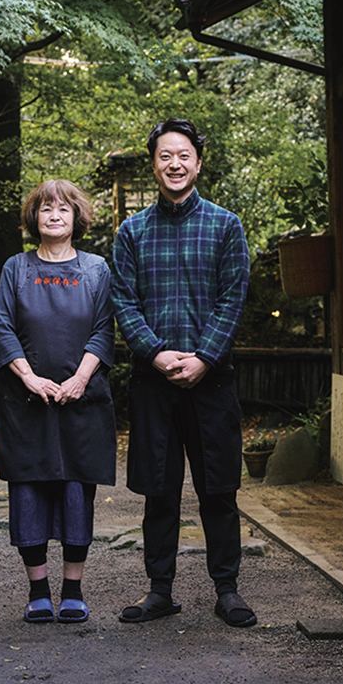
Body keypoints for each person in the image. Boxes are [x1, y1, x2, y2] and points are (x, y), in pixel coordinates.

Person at [111, 118, 256, 628]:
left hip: (211, 381)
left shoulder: (225, 225)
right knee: (159, 489)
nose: (174, 163)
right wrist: (155, 353)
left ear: (198, 162)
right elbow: (123, 302)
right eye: (164, 156)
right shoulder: (132, 231)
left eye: (183, 155)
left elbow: (233, 297)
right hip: (154, 384)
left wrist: (203, 357)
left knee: (219, 488)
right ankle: (160, 590)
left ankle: (228, 589)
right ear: (154, 164)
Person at [0, 179, 116, 624]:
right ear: (34, 219)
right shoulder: (15, 268)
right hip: (28, 405)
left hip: (83, 403)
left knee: (77, 492)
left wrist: (81, 377)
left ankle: (73, 591)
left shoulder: (98, 269)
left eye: (64, 208)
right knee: (28, 493)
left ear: (77, 217)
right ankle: (38, 591)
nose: (55, 215)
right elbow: (2, 327)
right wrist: (28, 377)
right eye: (46, 209)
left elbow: (105, 328)